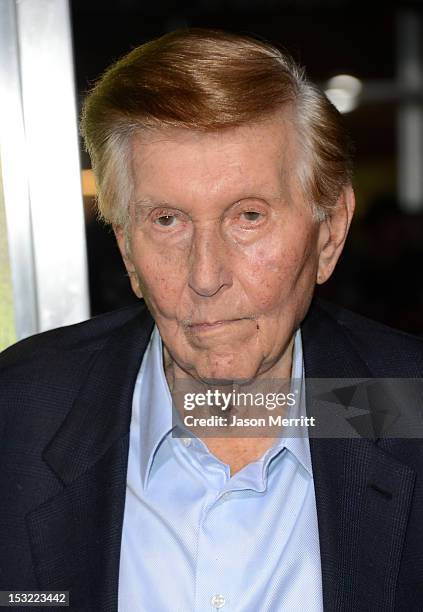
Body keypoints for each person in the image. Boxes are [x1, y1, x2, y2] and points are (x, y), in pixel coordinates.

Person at [1, 29, 422, 612]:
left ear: (329, 233)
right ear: (126, 249)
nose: (205, 275)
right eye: (167, 220)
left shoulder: (402, 404)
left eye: (248, 216)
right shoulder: (21, 411)